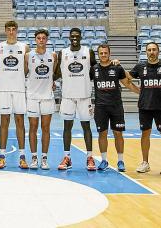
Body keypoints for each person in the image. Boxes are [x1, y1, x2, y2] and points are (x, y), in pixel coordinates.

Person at [91, 44, 140, 172]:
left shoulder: (117, 68)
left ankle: (120, 160)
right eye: (101, 53)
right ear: (98, 54)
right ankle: (104, 160)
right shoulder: (94, 69)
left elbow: (127, 83)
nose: (103, 55)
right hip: (100, 107)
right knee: (102, 133)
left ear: (109, 53)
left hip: (116, 106)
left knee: (118, 133)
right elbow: (84, 84)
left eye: (105, 53)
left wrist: (141, 92)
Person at [55, 27, 97, 171]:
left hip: (84, 95)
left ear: (80, 37)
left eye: (77, 36)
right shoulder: (63, 53)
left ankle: (90, 157)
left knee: (86, 127)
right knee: (67, 127)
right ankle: (67, 157)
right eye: (72, 36)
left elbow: (94, 71)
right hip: (67, 96)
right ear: (69, 37)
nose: (74, 38)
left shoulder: (88, 51)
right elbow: (56, 72)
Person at [0, 20, 30, 169]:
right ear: (5, 30)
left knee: (20, 121)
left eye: (14, 29)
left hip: (19, 88)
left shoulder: (24, 47)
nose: (11, 31)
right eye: (9, 29)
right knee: (4, 122)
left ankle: (22, 156)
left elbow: (28, 69)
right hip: (3, 89)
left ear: (17, 31)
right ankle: (2, 157)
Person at [24, 29, 57, 170]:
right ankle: (33, 157)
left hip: (47, 97)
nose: (41, 40)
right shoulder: (27, 56)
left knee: (45, 128)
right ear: (35, 40)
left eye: (43, 38)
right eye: (39, 38)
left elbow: (53, 73)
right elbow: (25, 73)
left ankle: (44, 158)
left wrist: (52, 82)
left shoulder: (53, 55)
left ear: (47, 40)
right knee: (33, 127)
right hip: (32, 96)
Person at [129, 42, 161, 173]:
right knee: (145, 134)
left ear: (158, 51)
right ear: (146, 52)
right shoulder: (140, 66)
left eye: (154, 50)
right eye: (149, 50)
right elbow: (126, 79)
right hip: (145, 106)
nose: (151, 52)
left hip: (160, 107)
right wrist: (138, 91)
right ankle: (145, 163)